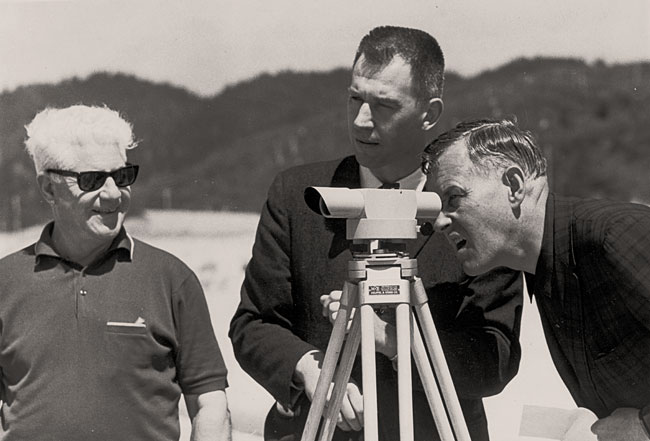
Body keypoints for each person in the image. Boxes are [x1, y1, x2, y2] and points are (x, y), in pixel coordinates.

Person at [230, 26, 523, 441]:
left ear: (430, 113)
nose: (361, 120)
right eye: (355, 98)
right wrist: (312, 370)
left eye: (384, 105)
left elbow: (496, 356)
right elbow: (253, 324)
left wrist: (395, 343)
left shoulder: (475, 210)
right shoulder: (297, 195)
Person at [0, 105, 232, 441]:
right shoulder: (6, 282)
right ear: (48, 189)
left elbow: (209, 401)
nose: (112, 194)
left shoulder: (172, 279)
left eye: (121, 177)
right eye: (92, 180)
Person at [422, 118, 650, 441]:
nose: (439, 223)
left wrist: (644, 425)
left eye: (453, 197)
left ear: (514, 186)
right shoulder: (544, 270)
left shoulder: (613, 236)